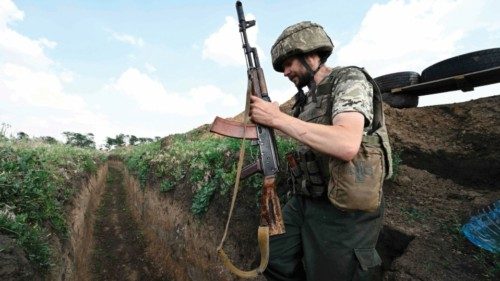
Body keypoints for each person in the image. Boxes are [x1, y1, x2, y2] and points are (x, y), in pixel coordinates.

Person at [248, 21, 393, 281]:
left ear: (309, 53)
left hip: (344, 210)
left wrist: (277, 119)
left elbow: (347, 144)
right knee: (272, 254)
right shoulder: (304, 101)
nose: (285, 72)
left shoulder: (349, 79)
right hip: (307, 199)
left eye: (288, 63)